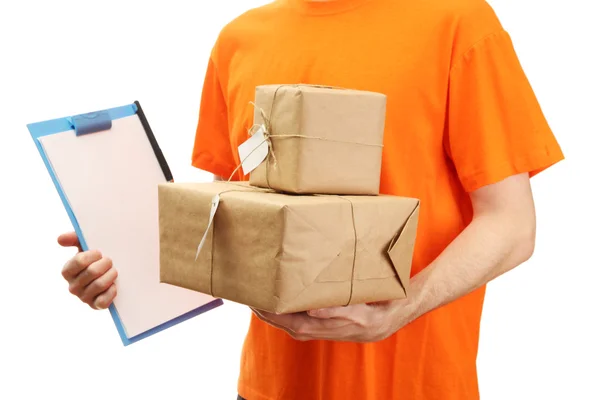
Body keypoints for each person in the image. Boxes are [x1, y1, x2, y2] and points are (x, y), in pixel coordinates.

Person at [57, 0, 565, 399]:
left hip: (415, 388)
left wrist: (400, 307)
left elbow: (512, 224)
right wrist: (120, 266)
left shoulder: (458, 20)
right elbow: (226, 237)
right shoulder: (238, 40)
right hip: (270, 389)